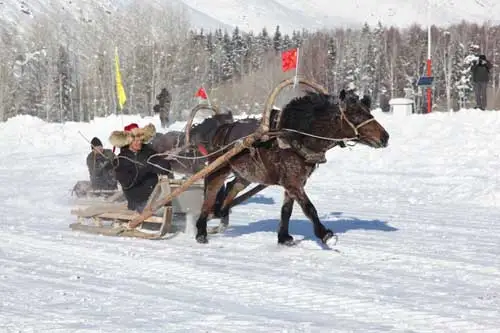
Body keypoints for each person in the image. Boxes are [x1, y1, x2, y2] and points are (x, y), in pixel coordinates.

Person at [109, 123, 174, 212]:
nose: (139, 142)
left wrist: (162, 163)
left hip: (156, 198)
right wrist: (145, 168)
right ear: (128, 142)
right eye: (135, 140)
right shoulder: (121, 160)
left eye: (140, 140)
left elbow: (166, 169)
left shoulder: (148, 152)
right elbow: (127, 183)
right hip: (137, 202)